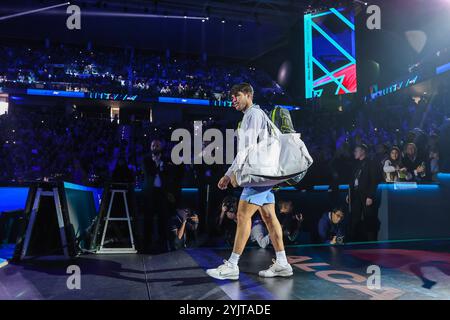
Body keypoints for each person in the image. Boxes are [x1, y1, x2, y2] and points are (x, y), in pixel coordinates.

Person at [206, 83, 293, 280]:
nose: (233, 100)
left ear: (248, 95)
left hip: (259, 176)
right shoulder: (253, 115)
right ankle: (282, 263)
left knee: (243, 216)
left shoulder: (253, 115)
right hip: (265, 176)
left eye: (236, 96)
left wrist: (230, 174)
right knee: (270, 217)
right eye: (231, 97)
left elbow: (246, 149)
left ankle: (232, 265)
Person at [346, 144, 379, 242]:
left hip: (366, 195)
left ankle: (371, 241)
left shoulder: (370, 163)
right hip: (356, 194)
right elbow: (352, 180)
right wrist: (349, 193)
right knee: (355, 218)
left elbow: (374, 181)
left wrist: (370, 196)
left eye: (356, 151)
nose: (354, 153)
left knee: (368, 217)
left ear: (363, 151)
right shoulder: (356, 164)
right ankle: (354, 240)